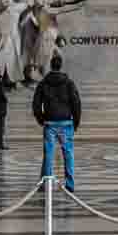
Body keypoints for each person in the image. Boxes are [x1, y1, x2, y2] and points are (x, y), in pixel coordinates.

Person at [32, 51, 81, 191]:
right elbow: (76, 103)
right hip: (66, 122)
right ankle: (70, 184)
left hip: (50, 123)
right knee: (68, 154)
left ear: (51, 66)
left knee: (48, 154)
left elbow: (36, 104)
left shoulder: (43, 84)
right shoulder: (69, 83)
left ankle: (47, 184)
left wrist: (41, 119)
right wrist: (76, 122)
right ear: (61, 66)